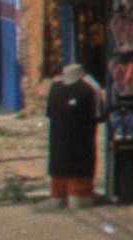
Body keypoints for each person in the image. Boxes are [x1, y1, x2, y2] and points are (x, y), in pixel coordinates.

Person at [43, 57, 101, 206]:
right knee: (65, 185)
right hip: (68, 147)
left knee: (75, 194)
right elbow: (99, 115)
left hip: (74, 147)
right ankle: (65, 194)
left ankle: (72, 194)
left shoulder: (88, 88)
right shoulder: (57, 88)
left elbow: (97, 114)